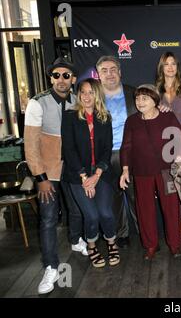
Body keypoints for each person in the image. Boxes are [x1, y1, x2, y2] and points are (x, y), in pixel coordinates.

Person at [24, 57, 87, 294]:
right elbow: (30, 146)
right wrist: (40, 178)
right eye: (57, 75)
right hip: (48, 172)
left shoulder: (77, 101)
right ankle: (50, 266)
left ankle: (75, 240)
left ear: (73, 79)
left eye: (66, 75)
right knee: (49, 220)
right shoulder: (36, 103)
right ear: (51, 78)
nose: (61, 80)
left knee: (77, 209)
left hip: (72, 170)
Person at [120, 86, 181, 259]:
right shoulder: (132, 121)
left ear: (155, 100)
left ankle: (175, 245)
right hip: (141, 171)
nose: (140, 102)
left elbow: (178, 137)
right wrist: (125, 169)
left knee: (171, 208)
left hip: (166, 171)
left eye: (145, 99)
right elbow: (126, 146)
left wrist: (178, 160)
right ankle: (150, 245)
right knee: (144, 209)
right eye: (138, 99)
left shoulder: (167, 116)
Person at [62, 78, 119, 267]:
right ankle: (92, 245)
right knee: (92, 215)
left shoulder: (105, 117)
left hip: (101, 173)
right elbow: (69, 150)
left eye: (91, 92)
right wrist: (85, 177)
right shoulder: (70, 116)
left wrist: (97, 175)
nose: (87, 96)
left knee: (106, 213)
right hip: (78, 175)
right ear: (78, 95)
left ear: (97, 94)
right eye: (83, 92)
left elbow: (107, 148)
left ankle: (112, 243)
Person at [96, 55, 137, 248]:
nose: (109, 74)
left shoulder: (134, 93)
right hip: (104, 155)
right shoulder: (92, 97)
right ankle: (122, 234)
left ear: (119, 72)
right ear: (98, 75)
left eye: (113, 69)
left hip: (130, 152)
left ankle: (144, 231)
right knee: (114, 198)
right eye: (104, 70)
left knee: (137, 196)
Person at [156, 51, 181, 240]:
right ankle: (172, 221)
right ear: (161, 68)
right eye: (166, 64)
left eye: (173, 64)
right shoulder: (155, 91)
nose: (170, 67)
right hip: (162, 146)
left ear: (177, 67)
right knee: (169, 186)